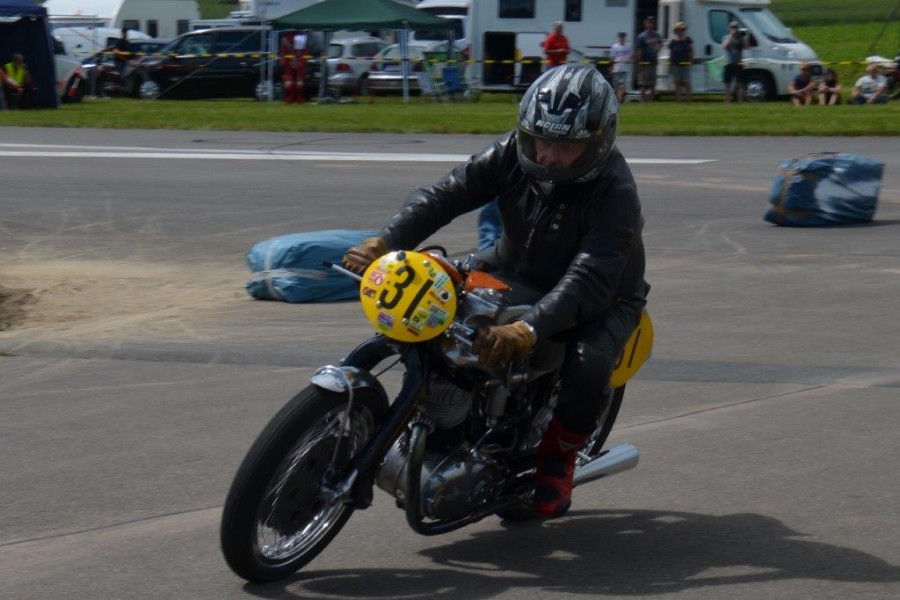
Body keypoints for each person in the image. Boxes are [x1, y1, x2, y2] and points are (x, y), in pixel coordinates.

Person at [343, 65, 649, 519]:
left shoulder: (615, 194)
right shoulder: (510, 153)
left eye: (566, 146)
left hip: (603, 298)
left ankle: (558, 461)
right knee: (435, 290)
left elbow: (589, 276)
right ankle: (430, 412)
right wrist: (386, 241)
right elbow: (444, 195)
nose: (547, 155)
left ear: (598, 141)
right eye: (540, 140)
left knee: (588, 364)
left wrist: (527, 329)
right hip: (507, 265)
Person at [635, 16, 662, 103]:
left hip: (653, 62)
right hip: (643, 62)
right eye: (649, 22)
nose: (651, 24)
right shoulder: (641, 36)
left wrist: (657, 49)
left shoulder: (657, 35)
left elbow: (660, 43)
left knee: (652, 83)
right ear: (645, 24)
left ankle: (650, 101)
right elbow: (639, 49)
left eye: (653, 23)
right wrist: (638, 61)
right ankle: (643, 101)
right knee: (643, 83)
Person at [722, 21, 749, 103]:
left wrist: (745, 37)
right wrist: (731, 35)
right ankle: (727, 101)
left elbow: (746, 46)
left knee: (740, 83)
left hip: (739, 62)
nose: (734, 29)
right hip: (729, 62)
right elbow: (725, 46)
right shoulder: (726, 37)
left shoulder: (740, 38)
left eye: (736, 27)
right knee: (728, 84)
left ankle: (740, 101)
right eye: (733, 27)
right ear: (729, 28)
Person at [668, 22, 694, 103]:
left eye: (682, 29)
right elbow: (671, 54)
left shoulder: (688, 39)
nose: (681, 31)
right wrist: (670, 65)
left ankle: (688, 100)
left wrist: (691, 61)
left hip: (686, 63)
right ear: (676, 30)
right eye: (679, 29)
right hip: (676, 64)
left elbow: (691, 51)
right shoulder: (673, 41)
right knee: (677, 82)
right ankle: (678, 100)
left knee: (687, 81)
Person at [280, 31, 308, 104]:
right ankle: (290, 99)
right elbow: (285, 52)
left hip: (298, 64)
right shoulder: (287, 37)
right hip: (289, 64)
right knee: (289, 82)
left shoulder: (301, 37)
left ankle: (298, 98)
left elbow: (302, 53)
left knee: (299, 83)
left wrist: (299, 62)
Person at [610, 31, 632, 103]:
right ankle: (616, 99)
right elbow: (612, 58)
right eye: (620, 37)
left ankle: (619, 100)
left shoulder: (628, 46)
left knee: (621, 85)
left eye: (623, 37)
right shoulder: (615, 47)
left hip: (624, 69)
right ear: (618, 38)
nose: (622, 39)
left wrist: (629, 59)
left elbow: (631, 55)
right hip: (617, 69)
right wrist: (612, 68)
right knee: (616, 86)